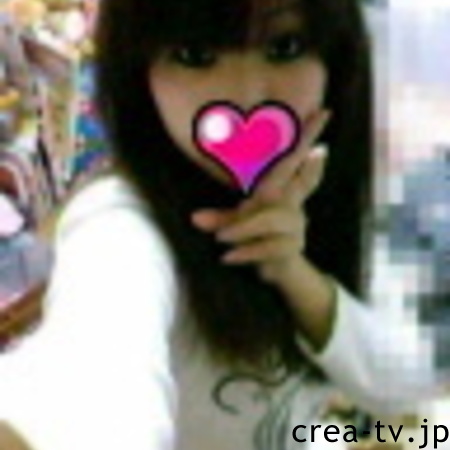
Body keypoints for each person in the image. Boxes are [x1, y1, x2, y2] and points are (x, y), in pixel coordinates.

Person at [0, 0, 438, 449]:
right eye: (195, 54)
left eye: (284, 47)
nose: (246, 98)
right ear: (138, 70)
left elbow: (406, 383)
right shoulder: (118, 222)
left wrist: (293, 272)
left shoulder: (335, 187)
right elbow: (95, 385)